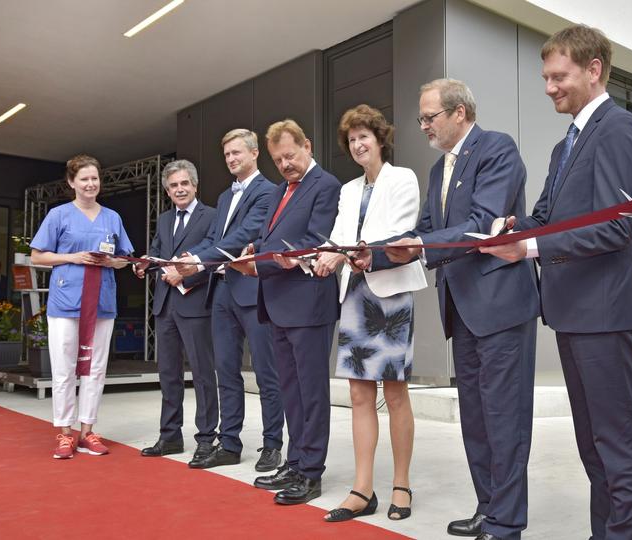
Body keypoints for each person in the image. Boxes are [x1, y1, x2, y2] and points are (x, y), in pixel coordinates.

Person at [481, 25, 632, 540]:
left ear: (594, 69)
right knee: (593, 448)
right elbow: (545, 219)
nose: (550, 87)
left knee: (617, 449)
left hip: (606, 313)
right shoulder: (565, 147)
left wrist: (529, 247)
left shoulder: (621, 130)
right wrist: (511, 229)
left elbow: (615, 226)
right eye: (545, 77)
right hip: (572, 313)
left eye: (559, 76)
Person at [354, 79, 539, 540]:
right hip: (462, 309)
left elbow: (481, 224)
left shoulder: (497, 149)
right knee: (476, 420)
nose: (423, 127)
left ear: (459, 112)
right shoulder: (439, 171)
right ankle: (488, 507)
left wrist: (419, 243)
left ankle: (506, 524)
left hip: (500, 306)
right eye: (421, 119)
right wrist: (372, 254)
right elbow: (423, 231)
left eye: (429, 117)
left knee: (504, 420)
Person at [313, 105, 427, 522]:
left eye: (364, 136)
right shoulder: (347, 190)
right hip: (355, 295)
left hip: (390, 292)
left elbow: (398, 235)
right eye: (352, 139)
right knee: (359, 393)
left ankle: (401, 484)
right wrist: (325, 256)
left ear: (380, 139)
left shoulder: (404, 178)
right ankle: (363, 489)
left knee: (394, 391)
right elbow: (340, 236)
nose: (358, 144)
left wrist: (349, 254)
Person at [230, 119, 341, 506]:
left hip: (308, 305)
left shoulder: (325, 186)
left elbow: (312, 242)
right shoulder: (281, 189)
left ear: (307, 146)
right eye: (278, 160)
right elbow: (268, 236)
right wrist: (252, 251)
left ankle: (311, 473)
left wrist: (261, 265)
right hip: (276, 304)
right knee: (291, 391)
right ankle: (294, 462)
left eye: (290, 156)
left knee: (311, 393)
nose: (285, 165)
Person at [176, 129, 283, 472]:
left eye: (237, 153)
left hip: (252, 290)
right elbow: (214, 236)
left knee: (266, 372)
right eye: (227, 155)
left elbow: (245, 235)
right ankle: (230, 442)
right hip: (221, 291)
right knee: (226, 370)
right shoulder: (224, 197)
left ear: (254, 154)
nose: (232, 159)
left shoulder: (269, 191)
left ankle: (272, 444)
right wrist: (190, 257)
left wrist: (198, 259)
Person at [29, 154, 133, 459]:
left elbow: (125, 258)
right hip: (66, 301)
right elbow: (37, 256)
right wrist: (72, 257)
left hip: (101, 302)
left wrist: (114, 262)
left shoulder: (112, 217)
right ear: (72, 183)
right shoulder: (58, 215)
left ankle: (88, 430)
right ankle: (65, 432)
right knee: (64, 368)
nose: (91, 184)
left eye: (95, 178)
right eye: (84, 179)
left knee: (96, 368)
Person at [133, 160, 219, 464]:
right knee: (168, 374)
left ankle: (207, 438)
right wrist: (146, 263)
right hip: (165, 305)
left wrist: (185, 276)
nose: (179, 189)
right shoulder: (165, 218)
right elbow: (158, 252)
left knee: (202, 374)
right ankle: (170, 435)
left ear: (195, 185)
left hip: (195, 304)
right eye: (173, 186)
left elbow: (215, 258)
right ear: (167, 191)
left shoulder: (212, 216)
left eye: (184, 183)